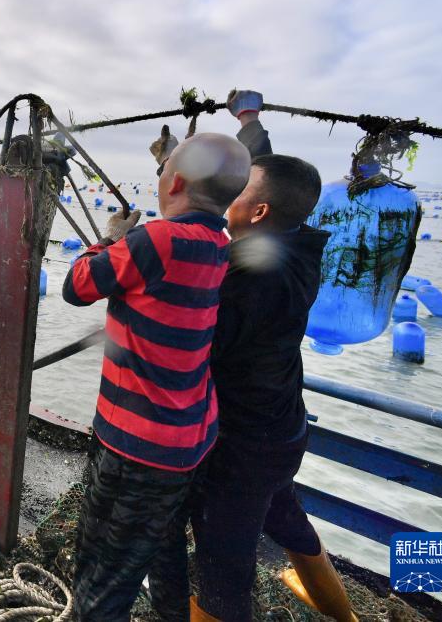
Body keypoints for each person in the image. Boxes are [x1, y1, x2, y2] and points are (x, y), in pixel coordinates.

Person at [179, 91, 357, 621]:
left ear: (257, 211)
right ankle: (344, 617)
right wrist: (250, 123)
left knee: (222, 572)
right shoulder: (298, 243)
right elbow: (271, 174)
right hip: (283, 430)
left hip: (241, 446)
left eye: (237, 192)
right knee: (290, 524)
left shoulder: (250, 274)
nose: (227, 195)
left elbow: (193, 342)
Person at [63, 133, 251, 621]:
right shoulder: (218, 245)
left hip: (135, 445)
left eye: (163, 169)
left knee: (103, 574)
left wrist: (109, 238)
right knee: (160, 548)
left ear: (177, 183)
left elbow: (76, 287)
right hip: (188, 439)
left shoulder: (157, 240)